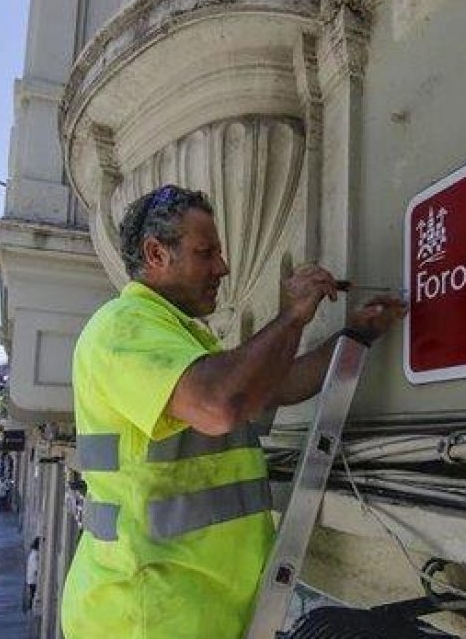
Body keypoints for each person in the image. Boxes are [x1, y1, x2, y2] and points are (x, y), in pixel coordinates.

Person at [59, 185, 405, 638]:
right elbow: (221, 404)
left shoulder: (182, 337)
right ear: (156, 253)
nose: (223, 267)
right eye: (206, 252)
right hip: (144, 615)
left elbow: (275, 386)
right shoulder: (122, 328)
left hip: (194, 610)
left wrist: (358, 336)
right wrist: (293, 317)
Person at [24, 537, 40, 613]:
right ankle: (30, 607)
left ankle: (30, 607)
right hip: (33, 579)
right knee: (33, 593)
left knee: (32, 593)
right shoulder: (35, 555)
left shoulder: (33, 554)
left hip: (31, 578)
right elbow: (35, 567)